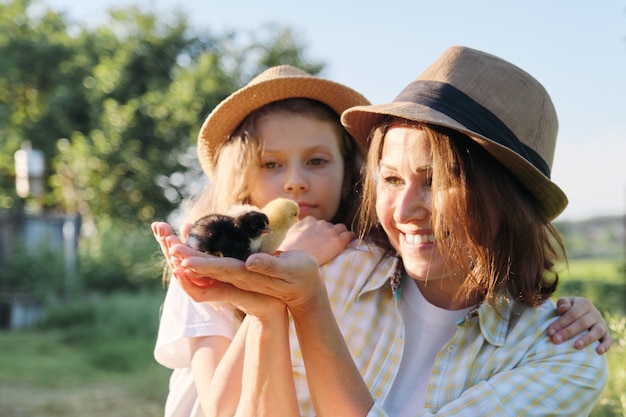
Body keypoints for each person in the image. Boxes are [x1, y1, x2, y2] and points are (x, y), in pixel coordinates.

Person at [171, 46, 609, 416]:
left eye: (438, 180)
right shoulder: (331, 265)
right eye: (392, 180)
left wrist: (306, 305)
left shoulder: (563, 353)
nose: (403, 211)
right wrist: (271, 307)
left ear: (510, 200)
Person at [153, 64, 370, 417]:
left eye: (317, 160)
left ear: (348, 175)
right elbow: (220, 407)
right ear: (240, 177)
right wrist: (290, 260)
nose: (296, 182)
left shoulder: (365, 261)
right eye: (271, 164)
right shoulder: (204, 258)